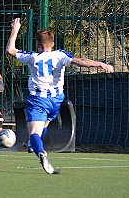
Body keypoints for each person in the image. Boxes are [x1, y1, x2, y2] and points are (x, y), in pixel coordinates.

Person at [6, 18, 114, 174]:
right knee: (44, 125)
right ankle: (33, 145)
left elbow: (10, 50)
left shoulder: (32, 57)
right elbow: (79, 61)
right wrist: (100, 64)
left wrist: (15, 29)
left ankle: (40, 151)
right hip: (56, 100)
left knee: (34, 132)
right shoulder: (60, 55)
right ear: (53, 44)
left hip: (38, 99)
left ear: (37, 45)